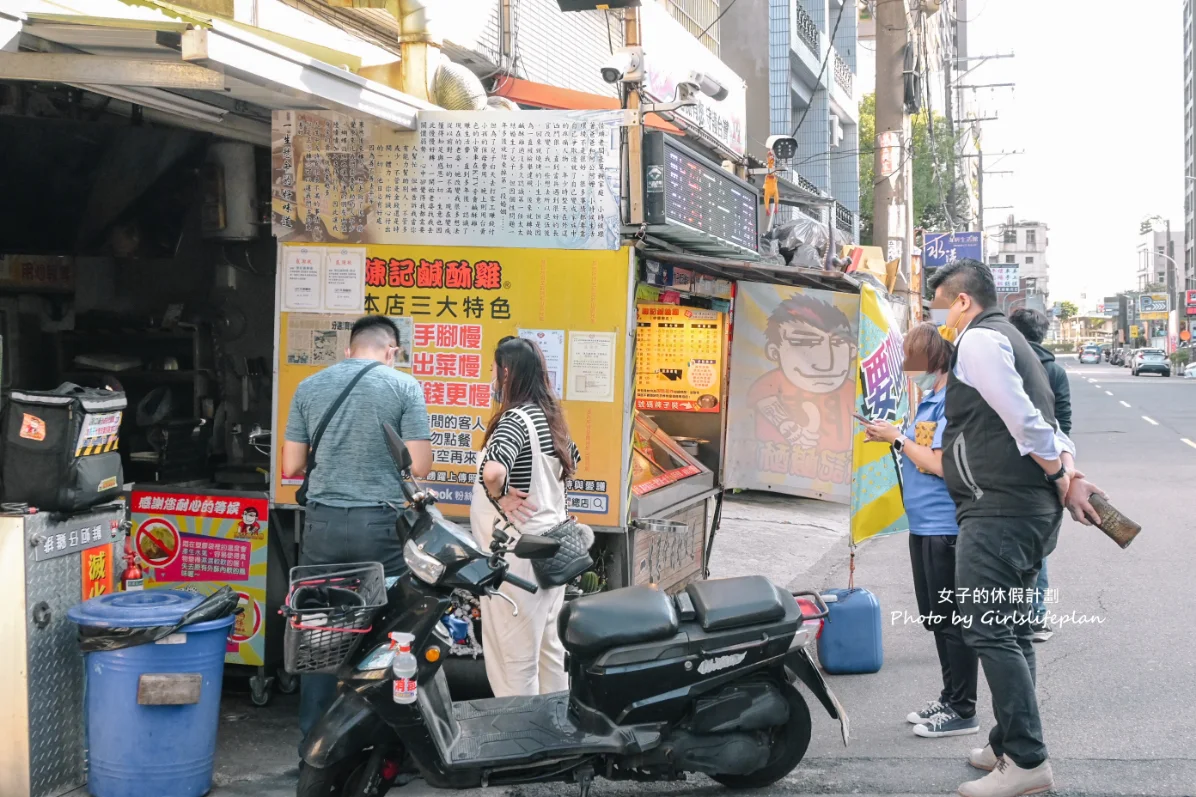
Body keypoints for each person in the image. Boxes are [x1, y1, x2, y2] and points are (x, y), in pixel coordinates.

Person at [928, 260, 1104, 797]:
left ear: (961, 301)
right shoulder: (1012, 341)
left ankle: (1027, 761)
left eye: (938, 301)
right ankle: (1009, 743)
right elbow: (1050, 423)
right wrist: (1066, 471)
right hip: (1014, 507)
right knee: (1009, 625)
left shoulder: (980, 341)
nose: (935, 313)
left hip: (1001, 509)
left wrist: (1058, 473)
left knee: (987, 628)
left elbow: (1025, 419)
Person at [281, 314, 432, 741]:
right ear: (392, 351)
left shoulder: (310, 387)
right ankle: (377, 744)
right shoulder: (404, 386)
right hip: (380, 526)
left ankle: (315, 742)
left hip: (323, 524)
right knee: (385, 631)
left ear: (348, 350)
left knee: (320, 628)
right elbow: (419, 466)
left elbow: (291, 465)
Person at [863, 323, 979, 740]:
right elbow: (920, 452)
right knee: (936, 618)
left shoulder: (949, 403)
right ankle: (950, 697)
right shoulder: (929, 401)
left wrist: (896, 439)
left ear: (935, 360)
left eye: (915, 362)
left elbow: (937, 464)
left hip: (945, 527)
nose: (910, 371)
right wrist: (893, 435)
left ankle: (964, 709)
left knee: (953, 624)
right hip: (924, 526)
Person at [471, 336, 580, 697]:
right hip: (552, 552)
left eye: (493, 370)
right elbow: (573, 462)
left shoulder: (514, 420)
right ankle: (557, 731)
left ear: (506, 373)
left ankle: (523, 741)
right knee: (549, 651)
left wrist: (501, 496)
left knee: (515, 657)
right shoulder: (550, 417)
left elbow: (493, 471)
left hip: (517, 560)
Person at [1009, 308, 1072, 643]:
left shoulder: (1006, 362)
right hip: (1048, 469)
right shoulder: (1055, 371)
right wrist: (1064, 470)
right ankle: (1033, 618)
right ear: (1043, 335)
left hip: (1005, 468)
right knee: (1036, 550)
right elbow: (1063, 422)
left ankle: (1001, 616)